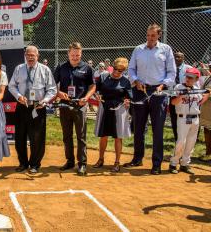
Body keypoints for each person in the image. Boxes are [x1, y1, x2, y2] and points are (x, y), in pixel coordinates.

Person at [124, 23, 176, 175]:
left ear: (159, 35)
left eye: (153, 35)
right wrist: (136, 81)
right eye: (148, 35)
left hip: (158, 92)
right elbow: (131, 68)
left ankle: (156, 164)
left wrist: (163, 85)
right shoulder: (138, 49)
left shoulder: (166, 49)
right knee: (139, 127)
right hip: (140, 90)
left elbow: (171, 72)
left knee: (157, 129)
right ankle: (137, 158)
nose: (150, 38)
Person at [8, 45, 56, 174]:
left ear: (37, 56)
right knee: (20, 136)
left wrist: (44, 101)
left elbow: (52, 89)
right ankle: (23, 163)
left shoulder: (45, 70)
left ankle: (35, 164)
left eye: (32, 55)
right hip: (22, 106)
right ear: (25, 56)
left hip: (37, 107)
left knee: (37, 137)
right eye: (28, 55)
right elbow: (11, 86)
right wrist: (18, 96)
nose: (30, 57)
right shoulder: (19, 69)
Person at [54, 42, 95, 175]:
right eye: (73, 55)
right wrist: (59, 93)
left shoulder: (87, 68)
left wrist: (87, 98)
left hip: (80, 105)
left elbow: (92, 86)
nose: (75, 57)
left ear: (81, 54)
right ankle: (70, 161)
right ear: (68, 54)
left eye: (77, 55)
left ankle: (82, 164)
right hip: (65, 105)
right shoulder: (61, 67)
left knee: (81, 136)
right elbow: (52, 84)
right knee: (67, 136)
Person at [93, 58, 132, 173]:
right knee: (103, 136)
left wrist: (127, 100)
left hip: (118, 110)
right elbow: (96, 89)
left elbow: (129, 96)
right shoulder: (104, 76)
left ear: (124, 71)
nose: (116, 72)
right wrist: (97, 95)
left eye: (120, 71)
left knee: (118, 137)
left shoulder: (125, 81)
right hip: (104, 108)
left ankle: (117, 163)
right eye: (115, 69)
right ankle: (100, 159)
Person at [169, 68, 209, 174]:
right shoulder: (178, 87)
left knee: (191, 142)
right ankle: (173, 163)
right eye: (187, 76)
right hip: (183, 117)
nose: (188, 79)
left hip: (195, 118)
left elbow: (200, 102)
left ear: (196, 79)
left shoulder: (197, 88)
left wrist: (207, 94)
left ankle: (185, 163)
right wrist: (182, 95)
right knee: (181, 141)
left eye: (191, 77)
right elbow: (173, 102)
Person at [170, 52, 192, 141]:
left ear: (183, 58)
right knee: (174, 118)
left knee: (187, 118)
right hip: (173, 96)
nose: (177, 58)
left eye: (179, 57)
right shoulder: (169, 69)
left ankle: (188, 139)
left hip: (186, 97)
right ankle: (177, 139)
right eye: (175, 57)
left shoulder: (188, 68)